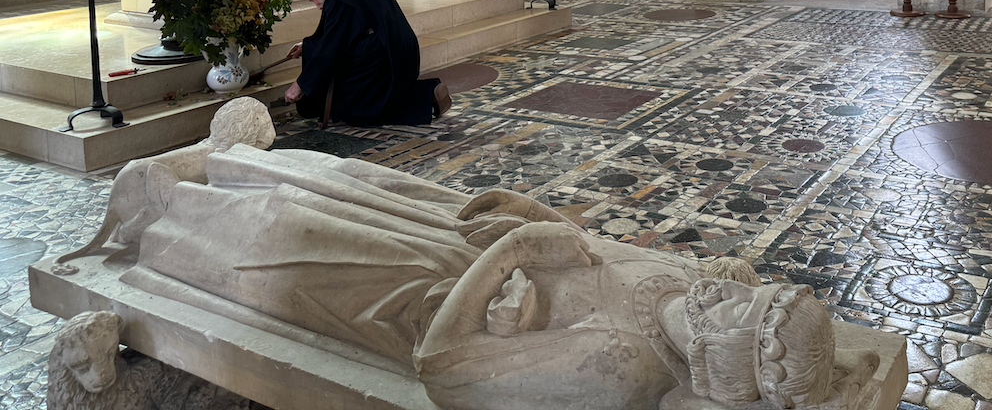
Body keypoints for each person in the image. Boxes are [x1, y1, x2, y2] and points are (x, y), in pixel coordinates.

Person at [114, 145, 858, 410]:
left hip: (415, 290)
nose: (727, 291)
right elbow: (587, 250)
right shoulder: (680, 286)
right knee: (343, 176)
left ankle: (167, 214)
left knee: (285, 229)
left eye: (740, 313)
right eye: (748, 292)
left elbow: (446, 367)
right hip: (457, 232)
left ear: (724, 363)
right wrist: (538, 217)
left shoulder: (626, 368)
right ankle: (233, 159)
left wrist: (510, 257)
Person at [282, 0, 450, 126]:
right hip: (401, 44)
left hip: (379, 51)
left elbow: (332, 46)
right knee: (383, 91)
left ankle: (425, 94)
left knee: (357, 94)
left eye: (314, 1)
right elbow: (348, 30)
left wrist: (300, 85)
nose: (318, 7)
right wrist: (307, 45)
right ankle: (429, 92)